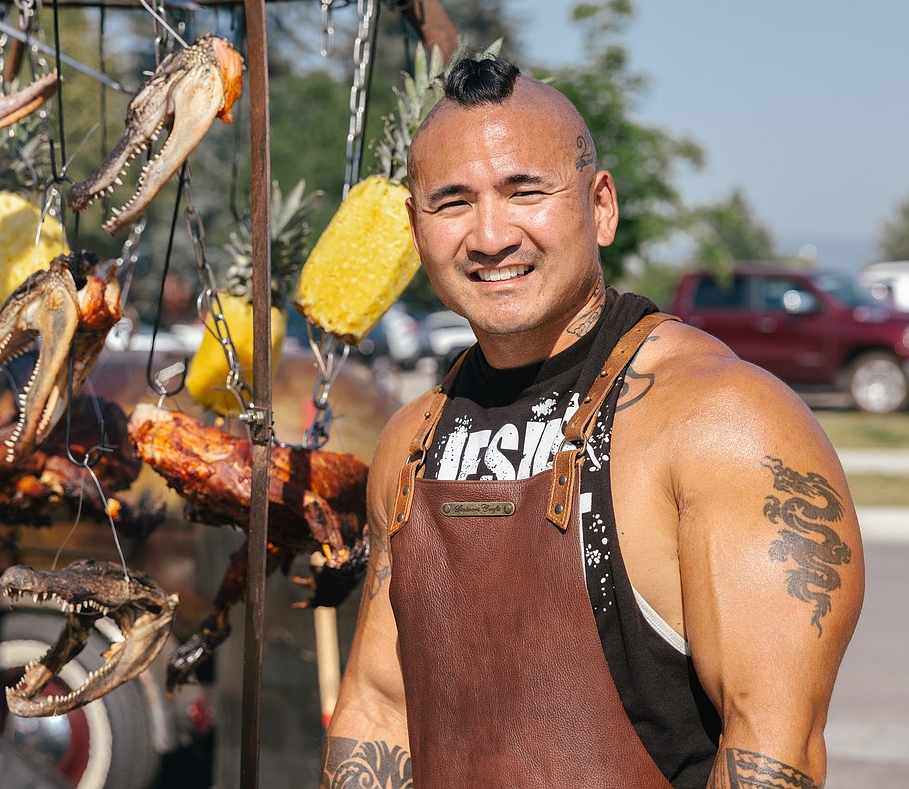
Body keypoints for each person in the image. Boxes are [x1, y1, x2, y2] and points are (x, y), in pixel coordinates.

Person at [319, 55, 864, 788]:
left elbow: (773, 750)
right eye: (452, 203)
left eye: (524, 192)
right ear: (417, 231)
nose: (488, 236)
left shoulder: (723, 422)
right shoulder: (412, 441)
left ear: (599, 206)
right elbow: (378, 713)